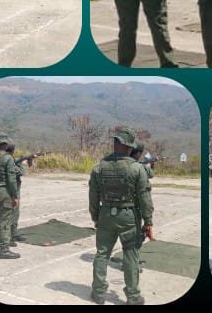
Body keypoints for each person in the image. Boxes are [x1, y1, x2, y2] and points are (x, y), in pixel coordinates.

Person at [89, 126, 153, 305]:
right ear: (129, 146)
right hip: (128, 216)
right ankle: (133, 297)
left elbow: (93, 195)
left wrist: (95, 216)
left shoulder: (99, 166)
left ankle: (99, 293)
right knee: (130, 255)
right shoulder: (136, 169)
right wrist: (148, 221)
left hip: (106, 215)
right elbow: (145, 198)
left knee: (102, 254)